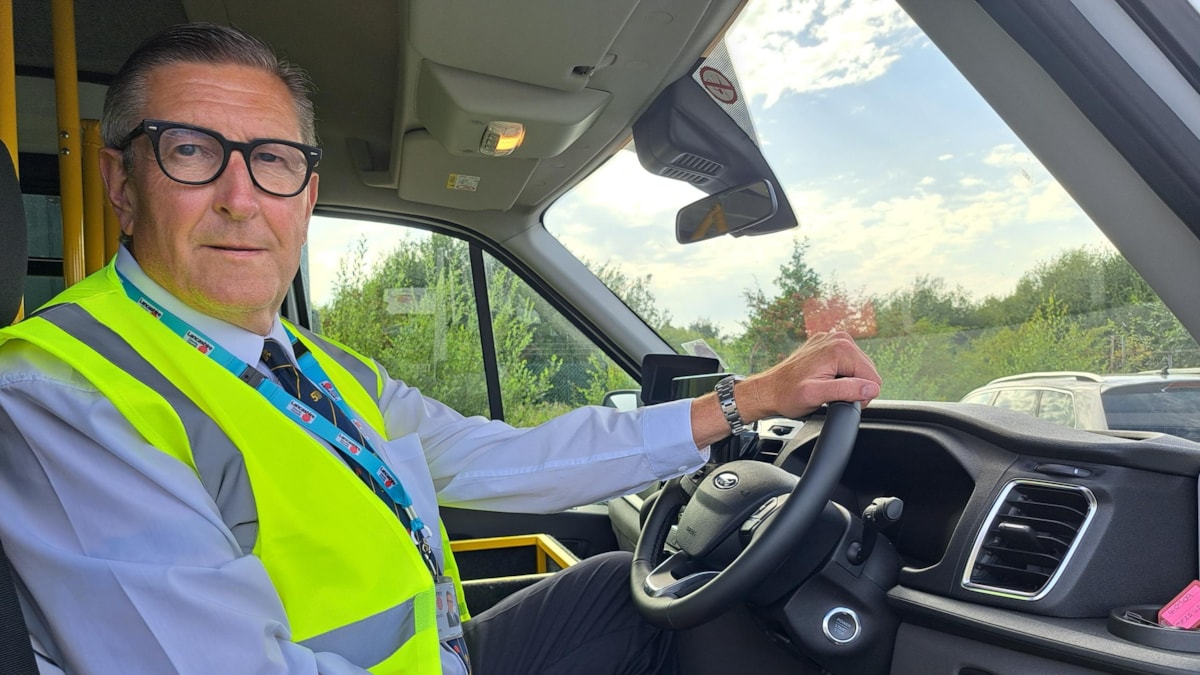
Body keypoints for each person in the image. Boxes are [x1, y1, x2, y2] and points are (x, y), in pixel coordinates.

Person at [0, 22, 882, 675]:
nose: (241, 197)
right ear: (122, 182)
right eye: (191, 150)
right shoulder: (58, 389)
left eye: (273, 160)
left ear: (306, 194)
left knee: (624, 590)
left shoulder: (313, 364)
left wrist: (746, 401)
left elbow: (506, 458)